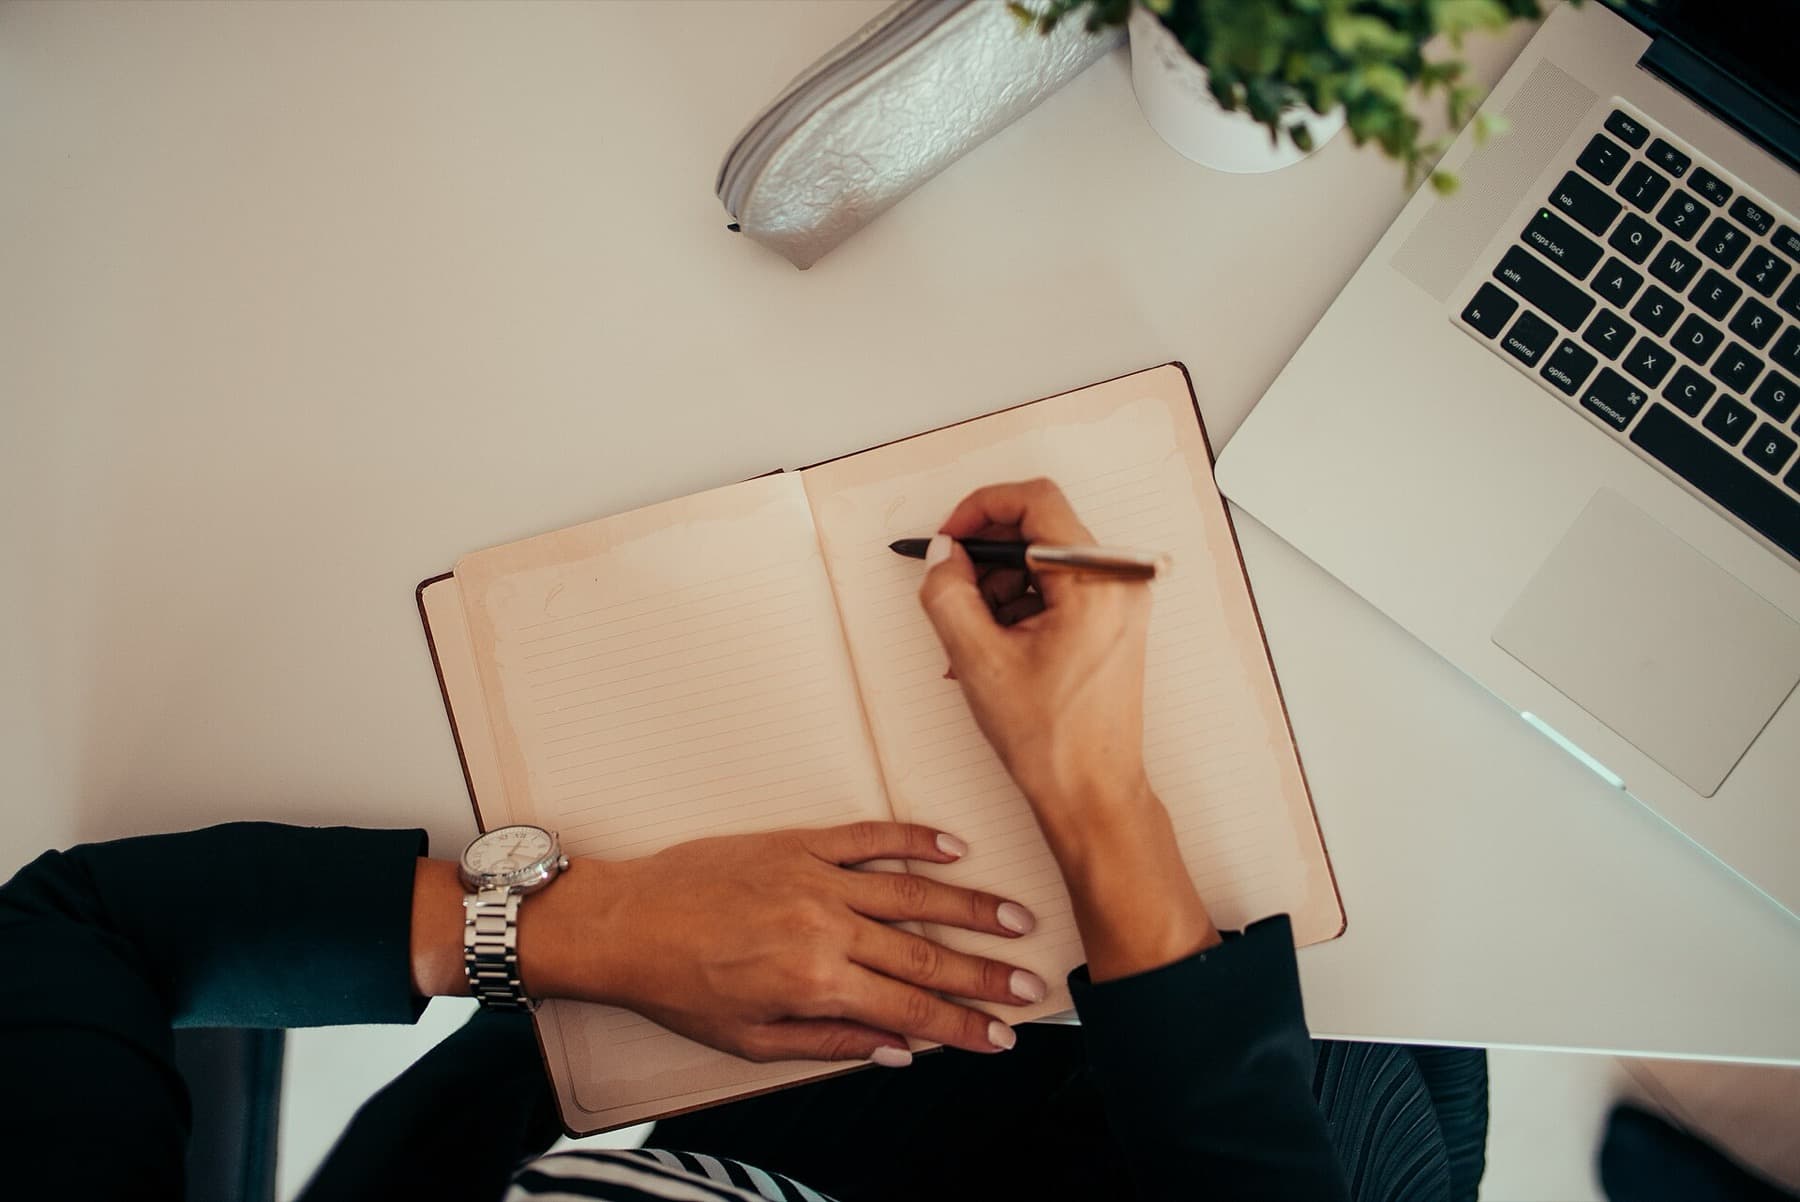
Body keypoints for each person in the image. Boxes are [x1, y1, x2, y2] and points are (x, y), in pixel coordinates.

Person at [0, 480, 1484, 1202]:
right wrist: (1096, 795)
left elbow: (71, 935)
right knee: (1390, 1015)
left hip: (698, 1134)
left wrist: (577, 932)